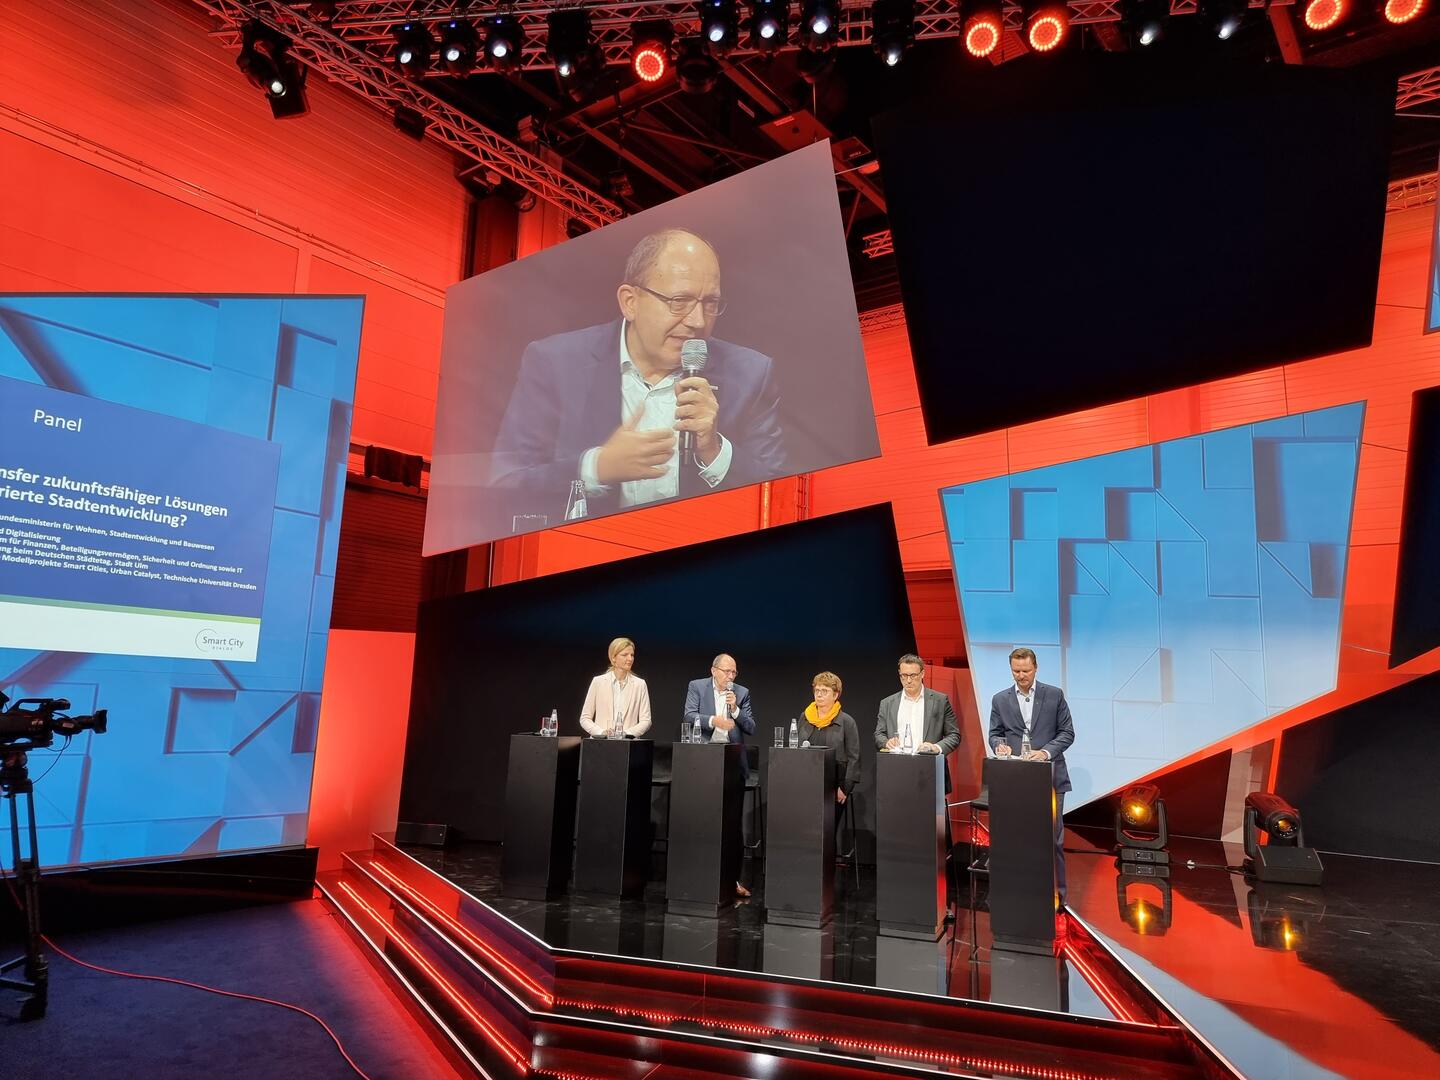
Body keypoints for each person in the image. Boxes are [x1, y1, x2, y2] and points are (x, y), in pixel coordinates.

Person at [489, 228, 787, 525]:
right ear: (630, 302)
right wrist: (596, 468)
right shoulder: (555, 363)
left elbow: (779, 496)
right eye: (679, 301)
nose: (698, 321)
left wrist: (714, 451)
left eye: (710, 303)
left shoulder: (750, 374)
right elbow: (506, 483)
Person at [988, 647, 1075, 903]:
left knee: (1052, 840)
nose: (1021, 675)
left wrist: (1045, 753)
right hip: (1015, 781)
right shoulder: (1000, 699)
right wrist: (999, 746)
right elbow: (995, 734)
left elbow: (1067, 733)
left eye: (1025, 670)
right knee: (1014, 840)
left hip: (1050, 779)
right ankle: (1016, 894)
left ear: (1035, 668)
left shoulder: (1054, 695)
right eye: (1016, 671)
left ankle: (1057, 896)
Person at [683, 653, 756, 898]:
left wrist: (735, 709)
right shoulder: (697, 686)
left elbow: (750, 727)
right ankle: (698, 877)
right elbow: (689, 715)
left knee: (732, 825)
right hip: (703, 762)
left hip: (732, 763)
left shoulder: (741, 693)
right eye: (727, 671)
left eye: (734, 672)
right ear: (714, 670)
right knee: (702, 820)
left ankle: (732, 880)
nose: (731, 676)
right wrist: (714, 720)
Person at [874, 654, 961, 776]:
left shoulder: (940, 701)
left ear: (922, 674)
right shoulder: (887, 703)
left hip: (930, 769)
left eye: (913, 675)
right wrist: (886, 742)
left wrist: (936, 747)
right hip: (896, 769)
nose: (908, 680)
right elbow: (879, 734)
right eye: (904, 675)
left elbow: (954, 735)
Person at [798, 672, 861, 808]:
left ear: (835, 695)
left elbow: (854, 758)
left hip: (835, 787)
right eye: (817, 690)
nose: (819, 695)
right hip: (805, 782)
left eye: (824, 691)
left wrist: (845, 788)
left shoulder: (846, 722)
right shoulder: (805, 717)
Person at [579, 637, 652, 738]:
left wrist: (626, 734)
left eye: (632, 655)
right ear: (613, 658)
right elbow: (585, 718)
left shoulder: (640, 684)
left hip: (628, 744)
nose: (630, 659)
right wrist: (602, 732)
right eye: (625, 655)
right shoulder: (598, 682)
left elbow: (646, 721)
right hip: (601, 743)